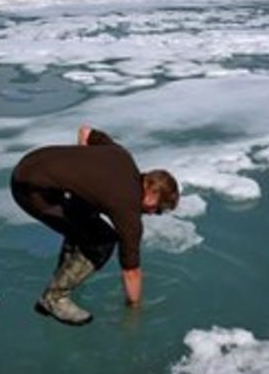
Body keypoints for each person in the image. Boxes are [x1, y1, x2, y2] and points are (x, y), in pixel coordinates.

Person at [10, 125, 180, 326]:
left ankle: (64, 273)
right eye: (158, 209)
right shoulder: (127, 209)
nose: (154, 214)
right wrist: (134, 310)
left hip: (29, 163)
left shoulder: (122, 157)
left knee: (85, 214)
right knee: (103, 240)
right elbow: (131, 271)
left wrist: (79, 178)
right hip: (32, 191)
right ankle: (54, 298)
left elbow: (86, 132)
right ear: (152, 194)